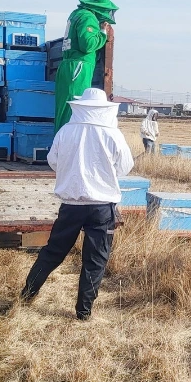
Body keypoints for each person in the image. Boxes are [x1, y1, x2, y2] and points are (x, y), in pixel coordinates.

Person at [20, 87, 134, 321]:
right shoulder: (113, 134)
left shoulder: (66, 131)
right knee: (95, 260)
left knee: (52, 252)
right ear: (104, 109)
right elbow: (125, 167)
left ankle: (26, 295)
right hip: (102, 205)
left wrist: (73, 173)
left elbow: (53, 161)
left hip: (71, 204)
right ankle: (83, 313)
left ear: (80, 107)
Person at [54, 0, 118, 132]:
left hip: (68, 65)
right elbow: (87, 44)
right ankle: (67, 148)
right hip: (79, 66)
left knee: (63, 109)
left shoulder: (76, 14)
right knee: (75, 108)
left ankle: (59, 146)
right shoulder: (88, 17)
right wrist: (102, 33)